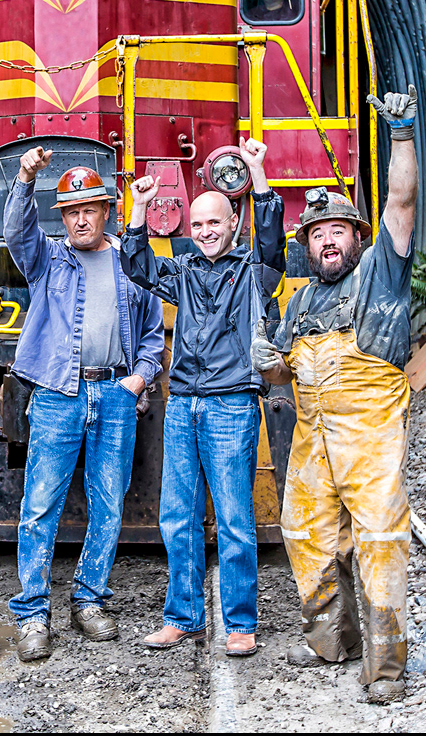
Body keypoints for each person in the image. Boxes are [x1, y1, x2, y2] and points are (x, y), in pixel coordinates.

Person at [250, 85, 419, 705]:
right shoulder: (300, 301)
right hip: (312, 436)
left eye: (337, 230)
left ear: (356, 234)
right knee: (306, 532)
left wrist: (401, 136)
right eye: (317, 233)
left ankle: (386, 668)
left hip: (370, 434)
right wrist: (269, 365)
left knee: (377, 539)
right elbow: (285, 375)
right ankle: (332, 640)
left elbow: (400, 202)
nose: (327, 241)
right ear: (307, 243)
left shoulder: (381, 270)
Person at [121, 137, 285, 657]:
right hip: (184, 403)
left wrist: (258, 175)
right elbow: (137, 265)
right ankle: (183, 616)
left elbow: (274, 243)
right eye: (198, 226)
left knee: (235, 517)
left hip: (232, 403)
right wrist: (142, 206)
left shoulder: (253, 273)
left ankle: (240, 622)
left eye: (215, 222)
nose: (206, 232)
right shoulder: (185, 271)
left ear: (234, 221)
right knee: (177, 514)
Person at [3, 149, 164, 662]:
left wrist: (138, 380)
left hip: (115, 393)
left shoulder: (132, 263)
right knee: (40, 507)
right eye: (70, 210)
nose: (78, 218)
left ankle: (89, 599)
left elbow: (154, 334)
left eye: (88, 208)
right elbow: (15, 231)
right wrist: (26, 179)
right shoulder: (47, 257)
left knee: (109, 504)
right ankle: (32, 614)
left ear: (106, 212)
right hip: (57, 395)